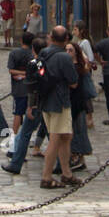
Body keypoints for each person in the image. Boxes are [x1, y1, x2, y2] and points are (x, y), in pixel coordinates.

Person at [38, 26, 80, 189]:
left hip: (46, 100)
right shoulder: (64, 57)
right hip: (60, 101)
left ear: (51, 37)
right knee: (55, 139)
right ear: (66, 40)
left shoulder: (44, 53)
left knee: (65, 136)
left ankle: (66, 173)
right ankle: (46, 177)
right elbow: (73, 81)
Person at [1, 36, 48, 175]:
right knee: (51, 133)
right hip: (47, 100)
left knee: (25, 132)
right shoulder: (45, 62)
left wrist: (31, 105)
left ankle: (16, 161)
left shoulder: (34, 62)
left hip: (36, 102)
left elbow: (33, 83)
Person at [66, 40, 92, 171]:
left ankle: (78, 157)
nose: (68, 52)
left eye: (70, 50)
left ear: (76, 53)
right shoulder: (69, 65)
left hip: (77, 102)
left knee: (78, 131)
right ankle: (76, 157)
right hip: (70, 102)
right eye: (66, 50)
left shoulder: (78, 67)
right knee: (74, 130)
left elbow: (75, 84)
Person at [8, 31, 34, 136]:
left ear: (21, 40)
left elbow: (11, 70)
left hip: (18, 88)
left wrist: (22, 74)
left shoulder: (14, 53)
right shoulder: (33, 54)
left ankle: (14, 135)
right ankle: (29, 134)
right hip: (31, 87)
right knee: (31, 112)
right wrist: (27, 73)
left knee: (18, 113)